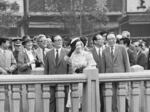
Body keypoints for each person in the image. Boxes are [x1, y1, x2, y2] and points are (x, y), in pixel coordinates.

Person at [103, 33, 130, 112]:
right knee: (112, 96)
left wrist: (128, 75)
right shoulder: (105, 51)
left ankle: (124, 110)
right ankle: (114, 110)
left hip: (121, 76)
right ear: (107, 41)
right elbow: (104, 65)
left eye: (113, 38)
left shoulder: (122, 48)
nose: (111, 40)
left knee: (123, 95)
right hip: (109, 77)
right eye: (109, 39)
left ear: (115, 39)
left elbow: (126, 62)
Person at [44, 35, 71, 112]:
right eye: (57, 40)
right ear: (53, 43)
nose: (59, 42)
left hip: (64, 82)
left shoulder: (67, 52)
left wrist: (69, 80)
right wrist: (46, 81)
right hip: (51, 82)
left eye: (60, 40)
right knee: (51, 101)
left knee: (65, 101)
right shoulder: (48, 53)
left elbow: (70, 67)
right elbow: (46, 69)